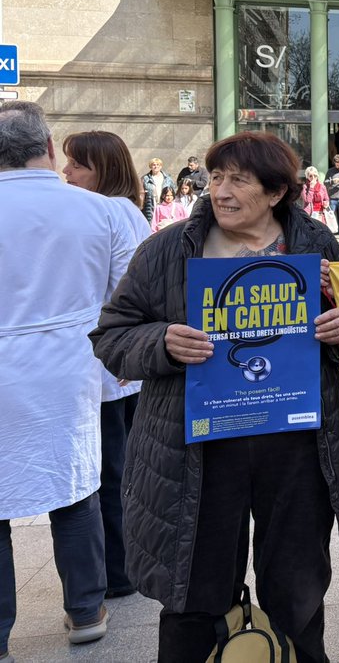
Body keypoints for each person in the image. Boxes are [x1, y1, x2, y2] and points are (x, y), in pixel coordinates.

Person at [90, 132, 339, 663]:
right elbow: (111, 334)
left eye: (239, 179)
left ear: (277, 191)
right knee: (195, 586)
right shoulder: (169, 249)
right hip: (197, 449)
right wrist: (162, 341)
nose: (221, 190)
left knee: (297, 589)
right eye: (215, 177)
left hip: (297, 445)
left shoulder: (315, 248)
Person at [1, 102, 142, 656]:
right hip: (69, 367)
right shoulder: (98, 212)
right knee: (74, 485)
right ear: (51, 147)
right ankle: (86, 608)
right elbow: (129, 294)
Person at [62, 130, 152, 603]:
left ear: (104, 170)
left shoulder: (113, 211)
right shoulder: (110, 210)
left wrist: (126, 350)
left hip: (110, 369)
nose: (67, 173)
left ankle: (118, 571)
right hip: (109, 368)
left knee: (112, 473)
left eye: (77, 165)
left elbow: (129, 291)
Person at [141, 158, 176, 224]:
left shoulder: (167, 178)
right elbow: (141, 193)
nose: (156, 166)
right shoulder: (145, 178)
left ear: (161, 166)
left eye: (158, 165)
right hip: (151, 204)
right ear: (150, 166)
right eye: (154, 165)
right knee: (152, 224)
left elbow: (173, 191)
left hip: (164, 204)